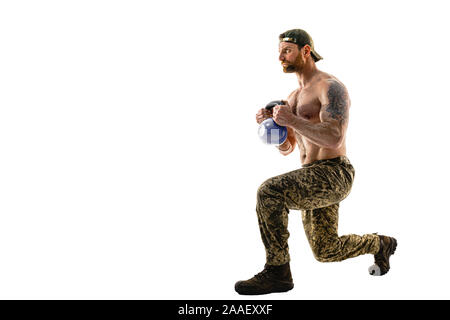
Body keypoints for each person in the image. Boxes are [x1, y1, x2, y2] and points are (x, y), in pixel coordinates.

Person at [235, 29, 397, 295]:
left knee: (269, 191)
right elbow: (289, 148)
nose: (280, 56)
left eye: (286, 50)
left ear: (306, 51)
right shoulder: (293, 97)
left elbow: (334, 137)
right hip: (310, 175)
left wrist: (293, 120)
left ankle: (278, 272)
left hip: (334, 173)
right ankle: (379, 244)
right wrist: (274, 128)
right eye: (279, 51)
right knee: (325, 250)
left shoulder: (330, 87)